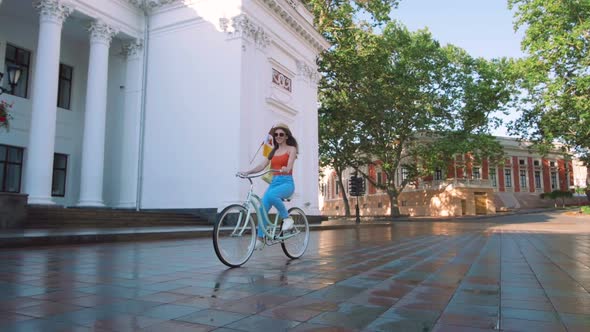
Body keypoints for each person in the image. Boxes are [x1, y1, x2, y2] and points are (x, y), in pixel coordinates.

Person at [239, 123, 298, 249]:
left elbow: (289, 166)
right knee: (262, 209)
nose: (278, 136)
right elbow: (261, 166)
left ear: (286, 136)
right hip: (274, 182)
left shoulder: (291, 149)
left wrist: (285, 169)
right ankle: (260, 239)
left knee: (271, 195)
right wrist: (247, 172)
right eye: (276, 134)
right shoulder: (273, 151)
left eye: (281, 134)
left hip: (287, 182)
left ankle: (288, 219)